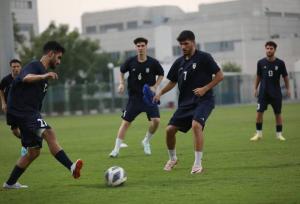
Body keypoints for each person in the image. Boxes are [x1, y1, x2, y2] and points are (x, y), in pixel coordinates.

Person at [3, 41, 83, 189]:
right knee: (49, 133)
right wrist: (44, 75)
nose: (59, 62)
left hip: (26, 113)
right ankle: (71, 167)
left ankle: (10, 183)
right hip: (23, 112)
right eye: (58, 58)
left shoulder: (43, 74)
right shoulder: (36, 66)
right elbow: (25, 78)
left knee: (33, 152)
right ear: (50, 54)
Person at [154, 30, 223, 174]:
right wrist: (160, 92)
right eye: (181, 44)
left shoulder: (204, 58)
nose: (183, 46)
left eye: (186, 43)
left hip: (204, 100)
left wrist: (205, 88)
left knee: (196, 125)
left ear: (193, 42)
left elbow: (219, 75)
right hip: (185, 104)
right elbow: (172, 82)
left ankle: (197, 165)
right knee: (169, 130)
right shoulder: (179, 62)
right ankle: (173, 159)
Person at [109, 37, 164, 157]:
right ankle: (116, 150)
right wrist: (122, 84)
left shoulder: (153, 62)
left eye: (142, 45)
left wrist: (155, 86)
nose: (140, 48)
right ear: (136, 48)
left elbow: (161, 74)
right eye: (138, 46)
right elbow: (122, 71)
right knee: (125, 123)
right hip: (134, 98)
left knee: (156, 121)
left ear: (146, 47)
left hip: (149, 98)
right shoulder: (130, 61)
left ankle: (146, 141)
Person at [250, 41, 290, 141]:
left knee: (278, 114)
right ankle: (258, 134)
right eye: (267, 48)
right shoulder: (260, 62)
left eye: (271, 48)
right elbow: (258, 76)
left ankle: (279, 135)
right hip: (263, 93)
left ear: (275, 50)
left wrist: (288, 88)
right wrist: (255, 88)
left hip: (276, 93)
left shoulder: (280, 63)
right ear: (265, 49)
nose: (269, 50)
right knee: (259, 113)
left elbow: (285, 77)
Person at [0, 59, 23, 142]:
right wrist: (3, 103)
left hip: (23, 107)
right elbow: (1, 90)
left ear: (21, 67)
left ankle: (26, 146)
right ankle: (26, 141)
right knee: (15, 131)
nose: (16, 68)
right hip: (10, 108)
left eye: (17, 66)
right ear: (11, 68)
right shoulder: (6, 80)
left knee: (25, 127)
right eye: (14, 67)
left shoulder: (25, 78)